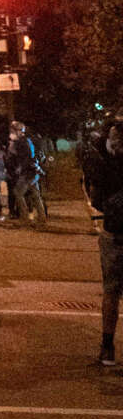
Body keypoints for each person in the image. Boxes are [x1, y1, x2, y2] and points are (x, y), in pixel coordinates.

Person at [80, 115, 123, 366]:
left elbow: (96, 201)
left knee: (111, 291)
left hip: (113, 232)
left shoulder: (104, 165)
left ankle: (107, 347)